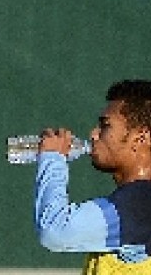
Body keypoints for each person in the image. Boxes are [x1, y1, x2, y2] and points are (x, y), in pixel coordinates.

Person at [35, 79, 151, 274]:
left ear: (141, 137)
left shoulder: (140, 202)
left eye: (105, 126)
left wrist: (53, 159)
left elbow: (56, 232)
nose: (94, 134)